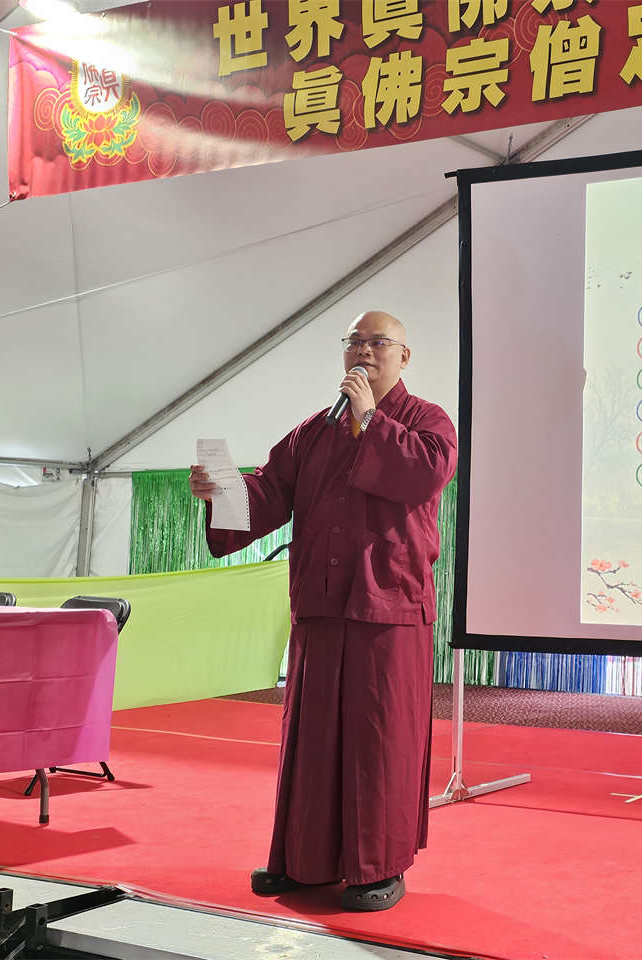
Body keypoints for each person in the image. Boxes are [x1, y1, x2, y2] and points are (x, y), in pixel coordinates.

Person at [189, 310, 456, 911]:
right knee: (311, 738)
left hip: (387, 608)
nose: (364, 351)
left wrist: (370, 420)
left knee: (378, 739)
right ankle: (304, 860)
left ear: (404, 357)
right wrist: (221, 489)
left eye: (378, 342)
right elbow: (267, 492)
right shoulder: (314, 431)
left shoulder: (427, 421)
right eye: (354, 342)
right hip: (321, 603)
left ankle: (379, 867)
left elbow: (425, 474)